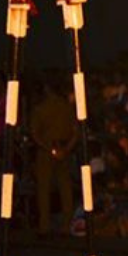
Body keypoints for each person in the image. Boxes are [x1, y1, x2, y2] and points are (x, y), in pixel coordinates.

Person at [31, 82, 77, 235]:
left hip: (47, 150)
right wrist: (66, 149)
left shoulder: (40, 109)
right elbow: (76, 132)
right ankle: (67, 223)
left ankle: (45, 225)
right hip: (64, 149)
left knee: (44, 188)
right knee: (65, 188)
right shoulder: (67, 108)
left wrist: (49, 149)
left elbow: (35, 134)